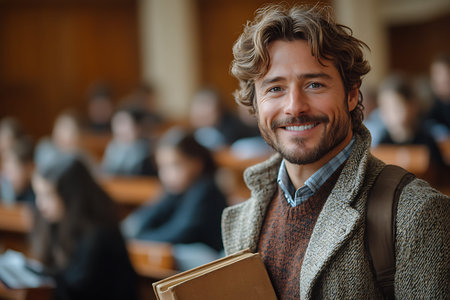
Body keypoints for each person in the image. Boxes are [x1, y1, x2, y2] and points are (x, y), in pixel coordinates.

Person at [221, 4, 449, 299]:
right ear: (254, 104)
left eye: (314, 84)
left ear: (352, 93)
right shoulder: (241, 220)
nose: (294, 106)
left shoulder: (416, 214)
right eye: (275, 88)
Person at [31, 154, 137, 300]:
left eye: (48, 195)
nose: (40, 205)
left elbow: (80, 290)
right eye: (38, 194)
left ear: (71, 196)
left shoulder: (100, 233)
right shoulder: (55, 222)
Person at [121, 128, 227, 254]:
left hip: (212, 262)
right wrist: (131, 234)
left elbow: (181, 233)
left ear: (197, 163)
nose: (167, 174)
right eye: (162, 167)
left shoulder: (206, 190)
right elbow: (142, 220)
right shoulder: (175, 191)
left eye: (174, 165)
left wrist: (139, 239)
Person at [377, 73, 446, 167]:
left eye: (396, 106)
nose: (390, 113)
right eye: (385, 107)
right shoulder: (382, 144)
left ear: (413, 106)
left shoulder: (426, 142)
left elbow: (440, 173)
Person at [101, 105, 156, 176]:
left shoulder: (149, 151)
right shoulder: (112, 148)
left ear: (138, 127)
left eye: (124, 123)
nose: (119, 129)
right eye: (117, 123)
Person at [0, 137, 35, 204]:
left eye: (12, 172)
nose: (8, 177)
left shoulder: (35, 198)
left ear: (29, 169)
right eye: (6, 171)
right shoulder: (3, 190)